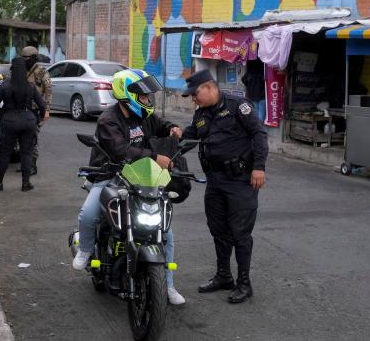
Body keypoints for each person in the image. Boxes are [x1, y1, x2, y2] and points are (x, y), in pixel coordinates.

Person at [72, 69, 187, 305]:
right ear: (127, 95)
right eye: (143, 96)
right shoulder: (108, 120)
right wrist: (155, 156)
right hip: (109, 175)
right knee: (88, 213)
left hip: (138, 178)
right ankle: (84, 249)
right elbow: (120, 150)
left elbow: (159, 124)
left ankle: (168, 286)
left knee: (165, 232)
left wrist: (171, 128)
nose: (147, 99)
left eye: (146, 96)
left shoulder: (143, 117)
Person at [181, 69, 268, 304]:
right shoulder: (201, 115)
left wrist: (259, 167)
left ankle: (244, 283)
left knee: (240, 233)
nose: (193, 99)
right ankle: (223, 276)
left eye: (195, 94)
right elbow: (188, 138)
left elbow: (259, 134)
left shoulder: (239, 106)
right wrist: (167, 143)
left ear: (210, 87)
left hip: (241, 180)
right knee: (218, 230)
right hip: (215, 181)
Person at [0, 57, 47, 192]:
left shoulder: (6, 85)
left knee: (5, 153)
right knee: (26, 153)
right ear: (25, 71)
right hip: (28, 121)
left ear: (12, 70)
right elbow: (42, 105)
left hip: (9, 121)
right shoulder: (30, 86)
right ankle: (26, 183)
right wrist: (39, 117)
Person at [20, 46, 52, 176]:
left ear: (34, 58)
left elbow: (49, 91)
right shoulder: (21, 71)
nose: (25, 60)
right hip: (22, 109)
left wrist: (47, 111)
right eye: (23, 58)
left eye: (27, 58)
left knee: (32, 138)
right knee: (21, 139)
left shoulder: (41, 72)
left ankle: (32, 165)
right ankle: (24, 164)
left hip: (36, 110)